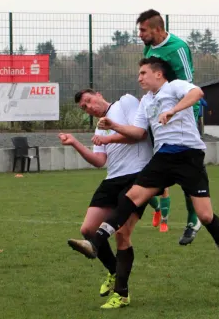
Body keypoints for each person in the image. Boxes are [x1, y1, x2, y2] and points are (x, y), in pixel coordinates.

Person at [67, 57, 219, 280]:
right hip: (163, 157)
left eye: (143, 73)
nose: (139, 78)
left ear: (158, 74)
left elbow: (197, 93)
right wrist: (113, 126)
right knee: (131, 197)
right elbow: (138, 133)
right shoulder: (146, 101)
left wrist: (172, 111)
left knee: (205, 216)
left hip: (189, 155)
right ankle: (96, 242)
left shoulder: (174, 86)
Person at [63, 89, 153, 309]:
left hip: (137, 176)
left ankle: (122, 294)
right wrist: (75, 143)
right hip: (112, 178)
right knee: (87, 229)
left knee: (122, 234)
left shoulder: (125, 103)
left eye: (89, 101)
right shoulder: (99, 127)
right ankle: (113, 271)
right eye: (84, 107)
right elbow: (99, 161)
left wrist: (110, 133)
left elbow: (139, 134)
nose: (89, 107)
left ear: (98, 94)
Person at [137, 9, 201, 244]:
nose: (140, 34)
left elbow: (188, 85)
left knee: (187, 173)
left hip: (182, 120)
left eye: (143, 30)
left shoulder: (178, 48)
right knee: (152, 170)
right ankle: (151, 211)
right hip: (159, 119)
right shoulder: (149, 49)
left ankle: (194, 219)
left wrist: (185, 115)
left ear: (157, 28)